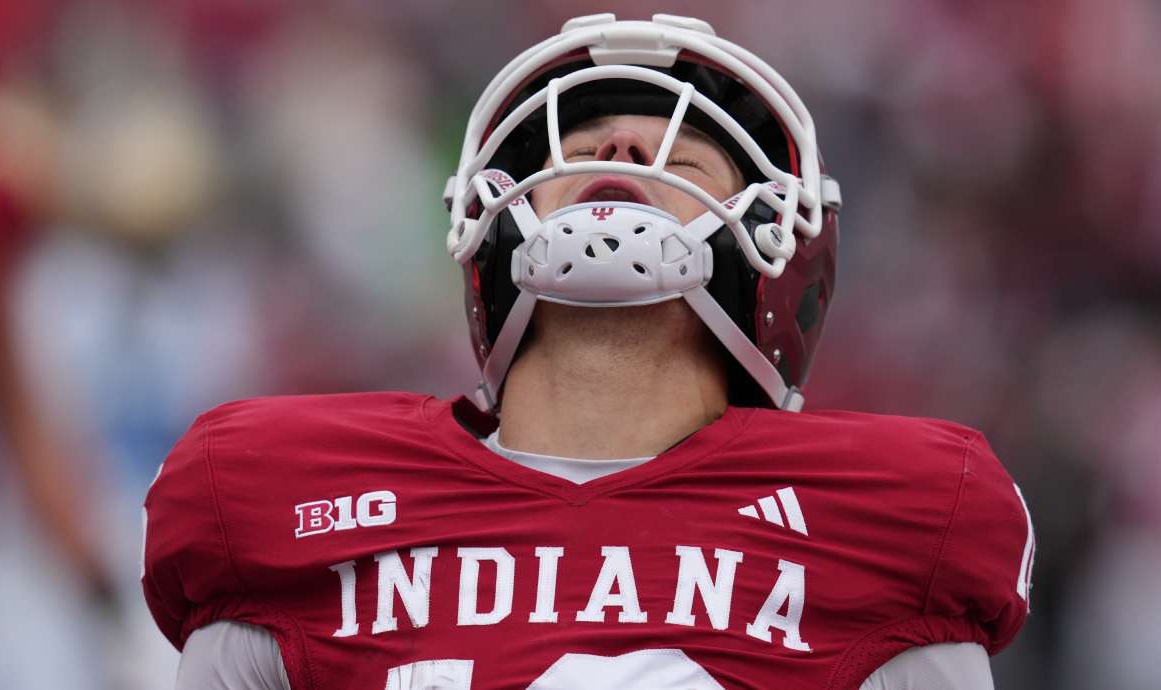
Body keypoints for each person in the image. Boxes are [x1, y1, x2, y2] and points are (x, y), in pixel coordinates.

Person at [142, 14, 1034, 690]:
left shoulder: (884, 532)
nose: (621, 147)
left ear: (773, 254)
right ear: (489, 224)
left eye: (683, 164)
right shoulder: (284, 505)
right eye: (578, 146)